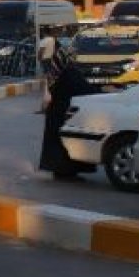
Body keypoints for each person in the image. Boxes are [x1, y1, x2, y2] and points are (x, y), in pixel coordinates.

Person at [38, 46, 101, 181]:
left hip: (57, 113)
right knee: (64, 144)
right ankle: (65, 172)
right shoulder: (69, 72)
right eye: (72, 56)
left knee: (58, 143)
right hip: (65, 112)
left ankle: (61, 171)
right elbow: (82, 88)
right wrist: (101, 93)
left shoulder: (55, 72)